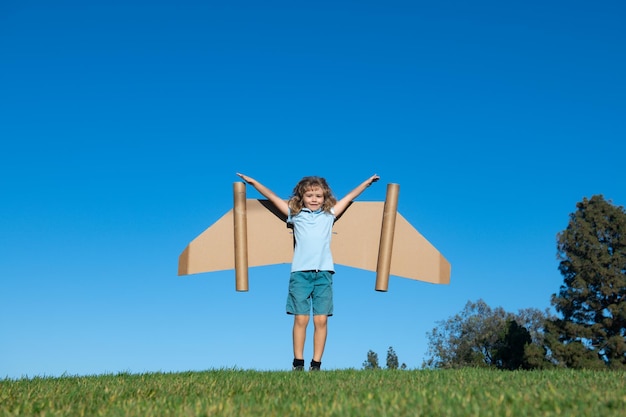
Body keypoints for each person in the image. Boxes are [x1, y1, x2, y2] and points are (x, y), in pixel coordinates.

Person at [236, 172, 379, 371]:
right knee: (301, 318)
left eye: (318, 196)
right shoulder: (295, 215)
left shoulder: (330, 216)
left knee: (321, 320)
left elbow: (348, 197)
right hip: (300, 274)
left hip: (324, 274)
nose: (314, 199)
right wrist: (253, 183)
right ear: (302, 197)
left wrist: (366, 183)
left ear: (325, 198)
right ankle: (298, 362)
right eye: (309, 195)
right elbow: (273, 197)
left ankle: (316, 363)